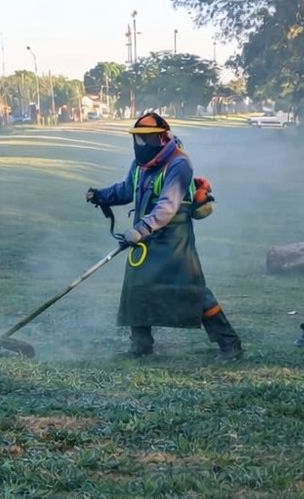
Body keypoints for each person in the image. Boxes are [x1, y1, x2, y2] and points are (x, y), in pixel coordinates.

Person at [86, 112, 243, 361]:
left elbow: (168, 206)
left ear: (161, 137)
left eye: (146, 139)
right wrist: (102, 195)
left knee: (193, 291)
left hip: (174, 240)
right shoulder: (139, 164)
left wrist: (139, 230)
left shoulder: (179, 164)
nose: (141, 145)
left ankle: (230, 344)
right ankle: (140, 346)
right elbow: (128, 188)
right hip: (146, 237)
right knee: (136, 289)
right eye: (137, 139)